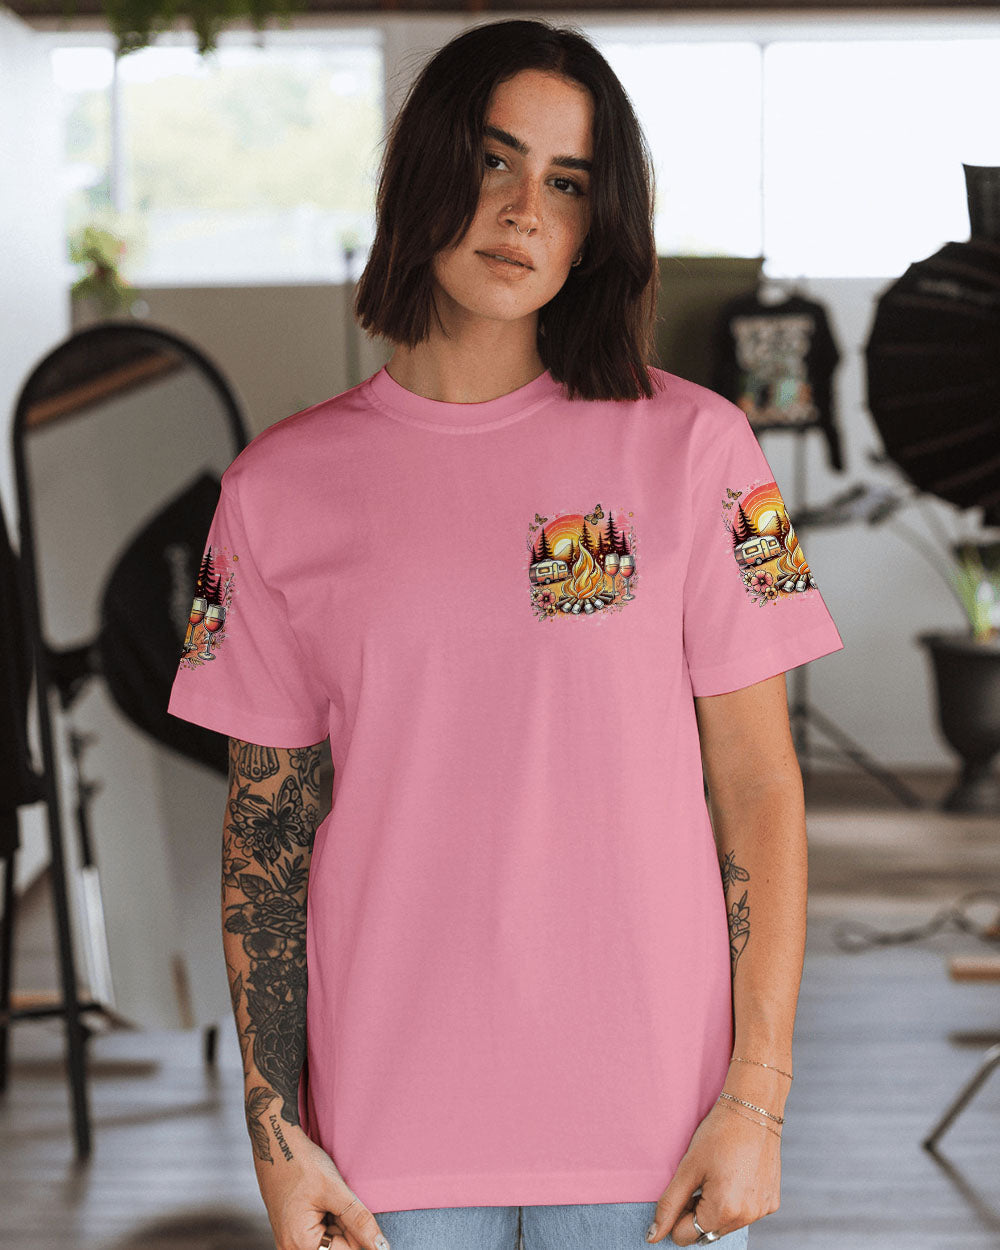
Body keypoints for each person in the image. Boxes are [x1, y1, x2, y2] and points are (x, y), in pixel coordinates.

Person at [167, 18, 844, 1250]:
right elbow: (265, 830)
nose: (525, 209)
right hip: (383, 1154)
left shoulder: (700, 449)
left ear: (598, 223)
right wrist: (274, 1131)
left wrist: (757, 1096)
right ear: (422, 170)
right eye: (493, 161)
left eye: (569, 182)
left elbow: (758, 786)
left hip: (660, 1142)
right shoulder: (274, 489)